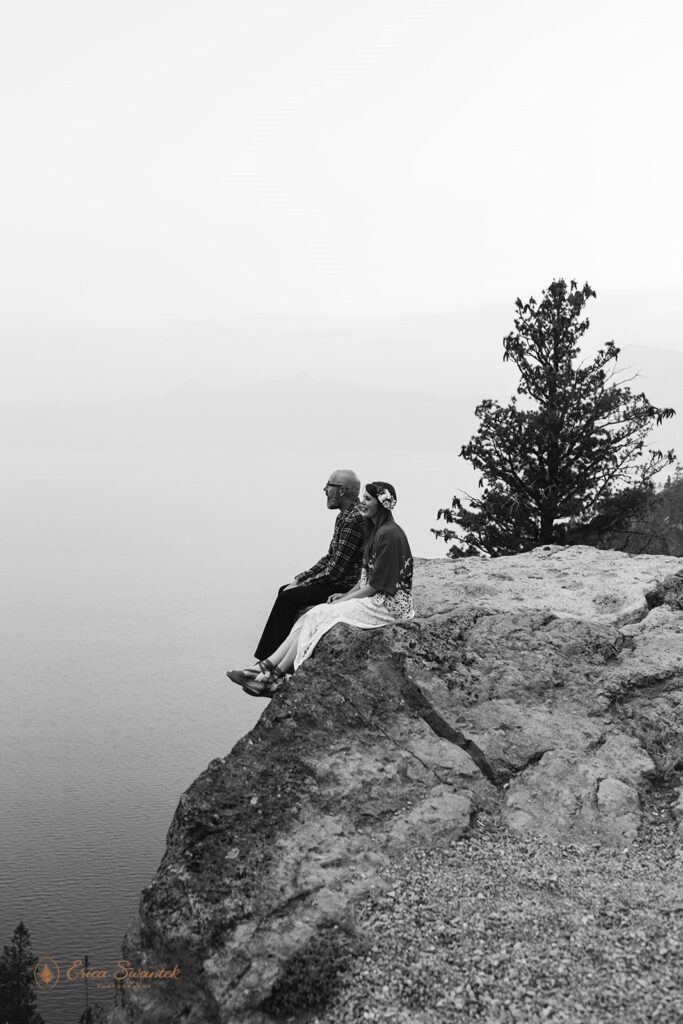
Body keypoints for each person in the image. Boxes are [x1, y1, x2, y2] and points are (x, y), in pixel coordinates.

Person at [230, 481, 414, 697]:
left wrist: (343, 602)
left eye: (367, 499)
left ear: (382, 505)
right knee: (310, 616)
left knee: (321, 613)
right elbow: (365, 579)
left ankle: (272, 674)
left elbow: (376, 585)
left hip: (389, 606)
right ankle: (267, 668)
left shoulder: (389, 534)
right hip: (376, 598)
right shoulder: (375, 531)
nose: (361, 503)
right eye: (362, 497)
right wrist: (346, 595)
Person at [226, 469, 365, 686]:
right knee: (286, 590)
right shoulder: (344, 516)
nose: (324, 490)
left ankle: (266, 665)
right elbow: (330, 557)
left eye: (329, 485)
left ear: (342, 490)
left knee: (288, 598)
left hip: (345, 586)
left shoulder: (354, 520)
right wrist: (300, 579)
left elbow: (336, 572)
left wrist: (304, 583)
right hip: (338, 578)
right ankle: (267, 663)